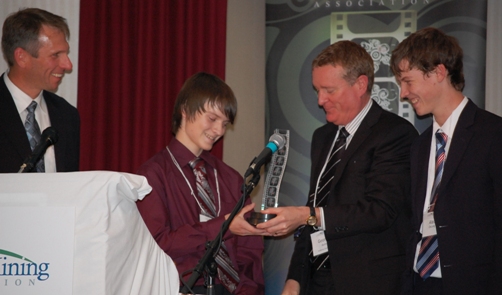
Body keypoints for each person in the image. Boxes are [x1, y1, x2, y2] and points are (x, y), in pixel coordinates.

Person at [257, 40, 418, 294]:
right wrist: (295, 277)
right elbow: (314, 204)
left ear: (360, 85)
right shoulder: (323, 137)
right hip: (318, 281)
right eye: (317, 90)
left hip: (368, 282)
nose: (321, 100)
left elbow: (380, 210)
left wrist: (308, 215)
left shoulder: (394, 133)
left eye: (329, 90)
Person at [390, 27, 502, 295]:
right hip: (422, 282)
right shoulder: (419, 146)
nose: (403, 93)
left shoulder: (493, 134)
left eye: (408, 81)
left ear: (438, 72)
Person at [136, 72, 266, 295]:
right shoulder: (152, 175)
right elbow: (158, 243)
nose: (219, 131)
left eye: (225, 123)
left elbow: (250, 249)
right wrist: (222, 226)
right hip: (181, 288)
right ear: (185, 109)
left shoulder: (230, 178)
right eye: (212, 119)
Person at [0, 8, 79, 173]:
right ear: (22, 57)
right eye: (55, 55)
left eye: (66, 53)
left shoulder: (67, 115)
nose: (68, 65)